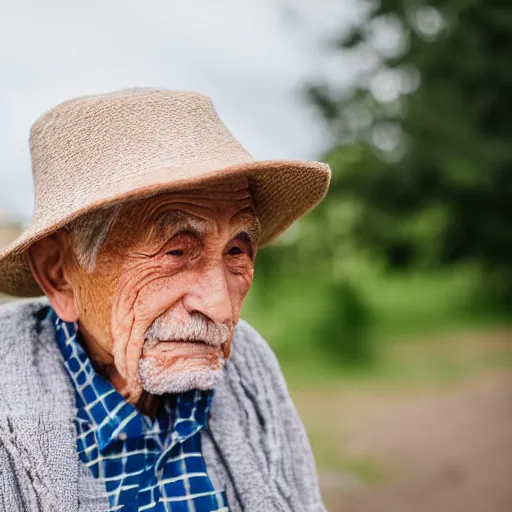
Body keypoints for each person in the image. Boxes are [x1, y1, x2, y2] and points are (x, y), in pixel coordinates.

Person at [0, 88, 331, 512]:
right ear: (59, 274)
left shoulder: (250, 371)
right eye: (175, 253)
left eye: (236, 251)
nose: (221, 308)